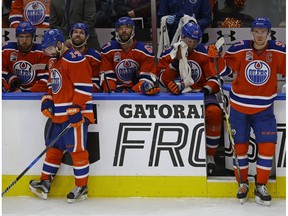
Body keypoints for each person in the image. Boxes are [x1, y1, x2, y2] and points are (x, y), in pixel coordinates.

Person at [209, 17, 286, 205]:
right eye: (257, 31)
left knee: (267, 148)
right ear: (252, 32)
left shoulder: (279, 50)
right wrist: (215, 58)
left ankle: (261, 185)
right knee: (240, 149)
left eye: (263, 32)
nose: (260, 35)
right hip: (238, 109)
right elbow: (223, 71)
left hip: (264, 110)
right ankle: (242, 183)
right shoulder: (239, 49)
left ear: (269, 34)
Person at [29, 28, 94, 203]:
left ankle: (82, 187)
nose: (48, 53)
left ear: (59, 44)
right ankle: (45, 183)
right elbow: (52, 85)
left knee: (77, 151)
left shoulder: (75, 59)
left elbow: (85, 87)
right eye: (46, 50)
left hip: (76, 115)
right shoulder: (53, 62)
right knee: (54, 148)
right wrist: (48, 100)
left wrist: (76, 108)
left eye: (50, 49)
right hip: (58, 115)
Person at [157, 22, 227, 174]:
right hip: (177, 97)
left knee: (214, 112)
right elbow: (162, 80)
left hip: (200, 94)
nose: (192, 44)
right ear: (182, 37)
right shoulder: (169, 52)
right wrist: (175, 63)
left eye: (196, 41)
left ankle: (210, 156)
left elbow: (215, 79)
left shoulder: (204, 52)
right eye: (189, 40)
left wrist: (205, 90)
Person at [100, 16, 160, 95]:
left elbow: (146, 79)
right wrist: (112, 93)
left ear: (133, 30)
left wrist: (132, 92)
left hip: (138, 92)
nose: (124, 30)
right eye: (120, 28)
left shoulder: (145, 51)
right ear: (116, 31)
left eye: (127, 27)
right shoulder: (108, 50)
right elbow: (108, 77)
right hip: (116, 91)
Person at [2, 21, 49, 92]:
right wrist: (10, 84)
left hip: (34, 95)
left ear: (33, 37)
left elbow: (44, 79)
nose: (24, 40)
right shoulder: (7, 50)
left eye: (28, 37)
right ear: (17, 37)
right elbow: (1, 73)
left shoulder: (42, 53)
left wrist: (28, 94)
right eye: (21, 37)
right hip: (12, 93)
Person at [69, 22, 102, 92]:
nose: (78, 35)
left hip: (87, 95)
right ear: (71, 35)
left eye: (81, 33)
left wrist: (81, 92)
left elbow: (96, 83)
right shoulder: (64, 55)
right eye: (75, 32)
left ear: (87, 37)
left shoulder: (94, 56)